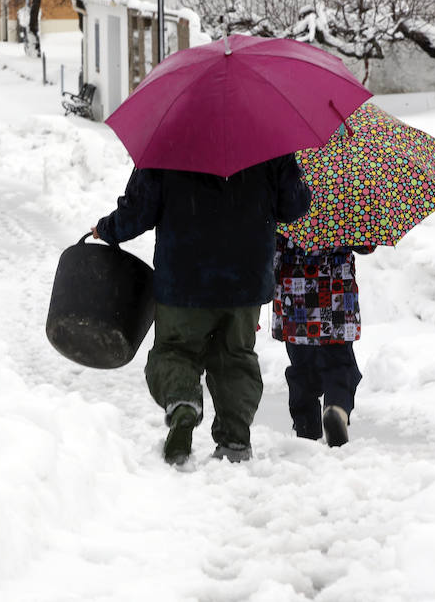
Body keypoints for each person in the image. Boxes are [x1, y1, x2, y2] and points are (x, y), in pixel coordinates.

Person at [92, 156, 311, 465]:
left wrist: (107, 229)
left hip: (184, 278)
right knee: (235, 357)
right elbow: (294, 207)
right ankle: (234, 439)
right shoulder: (268, 142)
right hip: (245, 280)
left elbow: (138, 211)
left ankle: (183, 403)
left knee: (174, 351)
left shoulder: (168, 141)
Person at [271, 234, 374, 447]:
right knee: (340, 364)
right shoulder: (346, 201)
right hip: (336, 290)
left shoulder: (289, 202)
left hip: (296, 292)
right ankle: (336, 408)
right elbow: (366, 246)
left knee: (301, 368)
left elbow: (272, 250)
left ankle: (306, 428)